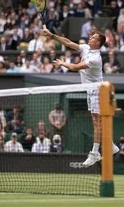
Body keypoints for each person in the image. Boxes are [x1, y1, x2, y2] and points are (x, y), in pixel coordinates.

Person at [42, 27, 119, 167]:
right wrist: (52, 35)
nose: (90, 38)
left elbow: (76, 67)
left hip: (97, 91)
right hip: (91, 91)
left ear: (98, 43)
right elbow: (68, 43)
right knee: (98, 123)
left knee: (96, 123)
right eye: (91, 36)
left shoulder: (96, 59)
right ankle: (110, 145)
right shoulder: (85, 48)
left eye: (94, 38)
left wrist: (62, 63)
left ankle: (95, 153)